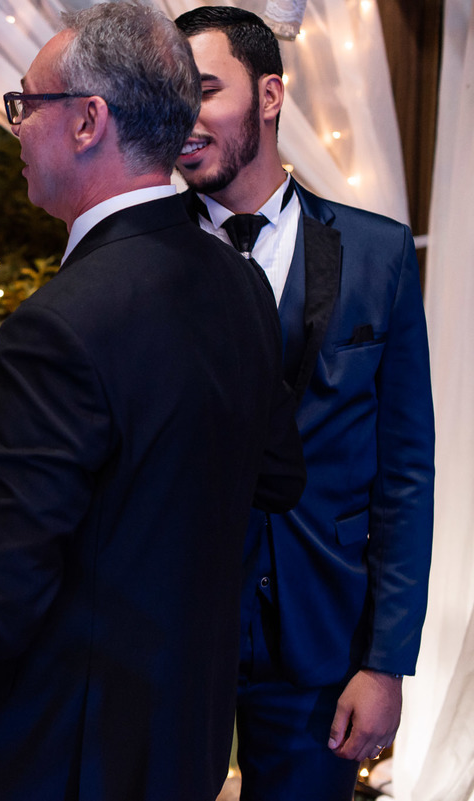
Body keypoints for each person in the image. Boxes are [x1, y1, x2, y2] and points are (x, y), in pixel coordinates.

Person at [0, 6, 306, 800]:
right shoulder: (239, 280)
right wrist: (53, 444)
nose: (13, 127)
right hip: (184, 736)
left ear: (87, 121)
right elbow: (273, 475)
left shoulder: (55, 326)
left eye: (24, 105)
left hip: (63, 755)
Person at [173, 8, 435, 799]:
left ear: (271, 93)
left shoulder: (377, 253)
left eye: (206, 91)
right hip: (174, 636)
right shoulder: (140, 258)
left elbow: (405, 476)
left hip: (324, 640)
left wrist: (385, 660)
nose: (184, 118)